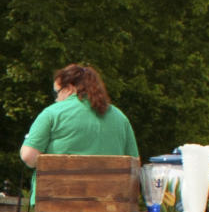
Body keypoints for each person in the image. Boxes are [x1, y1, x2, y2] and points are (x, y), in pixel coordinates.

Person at [19, 64, 138, 196]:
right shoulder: (120, 118)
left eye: (56, 93)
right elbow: (135, 165)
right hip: (110, 203)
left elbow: (28, 156)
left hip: (57, 201)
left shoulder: (52, 113)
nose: (56, 99)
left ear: (69, 88)